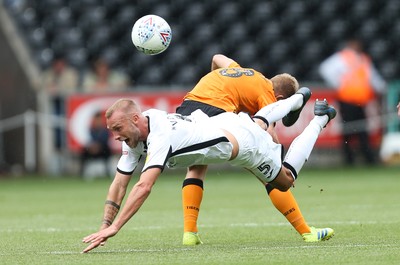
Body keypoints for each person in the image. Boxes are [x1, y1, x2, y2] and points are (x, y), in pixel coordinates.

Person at [81, 97, 336, 253]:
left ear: (136, 119)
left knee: (285, 180)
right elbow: (119, 183)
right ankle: (297, 98)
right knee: (258, 121)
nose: (115, 136)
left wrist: (115, 227)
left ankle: (320, 119)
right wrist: (104, 227)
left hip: (243, 145)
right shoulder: (136, 135)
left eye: (117, 128)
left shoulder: (159, 135)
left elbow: (143, 187)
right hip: (222, 123)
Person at [176, 54, 333, 245]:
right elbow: (270, 133)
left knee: (197, 166)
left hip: (188, 108)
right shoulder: (268, 94)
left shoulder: (239, 70)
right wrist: (278, 167)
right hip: (217, 112)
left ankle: (189, 234)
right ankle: (306, 232)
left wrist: (217, 80)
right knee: (269, 175)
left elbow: (217, 58)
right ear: (281, 98)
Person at [319, 38, 386, 165]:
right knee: (349, 130)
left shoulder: (363, 59)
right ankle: (350, 159)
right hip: (347, 100)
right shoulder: (342, 58)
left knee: (361, 129)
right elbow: (325, 69)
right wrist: (339, 84)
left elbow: (372, 77)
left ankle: (367, 159)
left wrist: (381, 88)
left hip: (360, 101)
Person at [79, 111, 112, 176]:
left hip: (102, 150)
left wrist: (98, 146)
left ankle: (107, 173)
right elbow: (89, 140)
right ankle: (81, 173)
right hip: (92, 149)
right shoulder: (91, 130)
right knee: (84, 151)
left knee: (107, 150)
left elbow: (105, 141)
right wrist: (93, 147)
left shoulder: (105, 130)